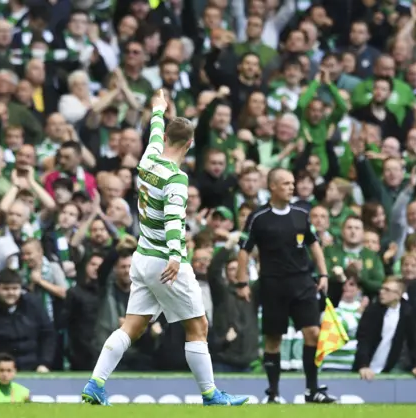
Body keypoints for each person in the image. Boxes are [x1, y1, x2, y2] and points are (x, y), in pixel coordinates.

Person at [81, 90, 248, 406]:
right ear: (190, 144)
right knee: (198, 326)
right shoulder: (176, 177)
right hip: (164, 260)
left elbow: (155, 133)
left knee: (133, 325)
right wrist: (175, 254)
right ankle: (211, 394)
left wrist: (157, 109)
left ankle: (95, 382)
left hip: (142, 258)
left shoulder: (148, 159)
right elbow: (174, 220)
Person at [236, 167, 335, 403]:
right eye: (286, 184)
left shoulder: (302, 214)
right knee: (274, 338)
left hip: (302, 282)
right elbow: (244, 251)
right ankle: (273, 392)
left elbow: (314, 245)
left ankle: (312, 390)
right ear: (272, 187)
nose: (291, 187)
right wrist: (242, 282)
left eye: (292, 183)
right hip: (273, 285)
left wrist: (323, 275)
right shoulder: (258, 217)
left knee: (313, 333)